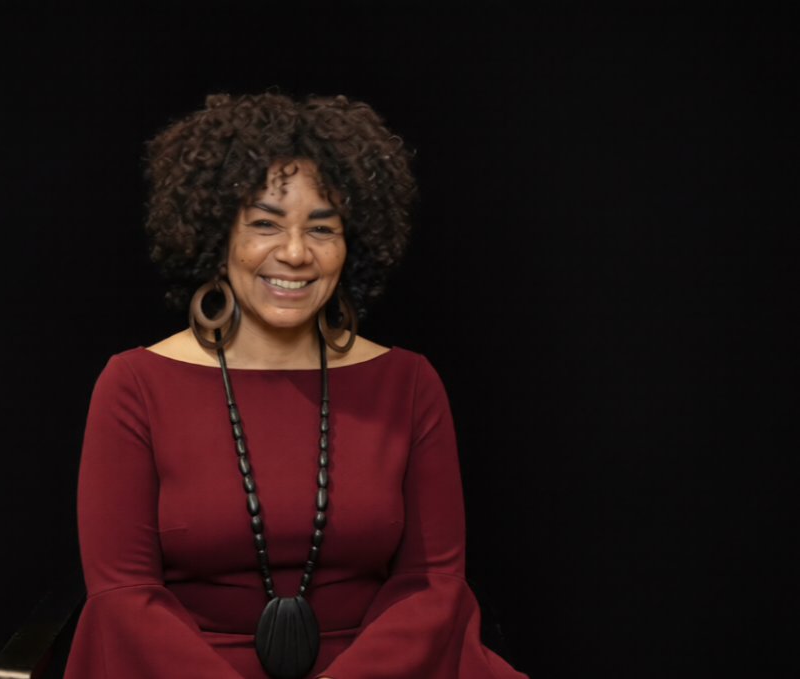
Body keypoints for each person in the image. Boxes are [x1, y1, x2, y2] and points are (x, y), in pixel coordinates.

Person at [63, 93, 527, 679]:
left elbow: (430, 585)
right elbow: (123, 597)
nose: (294, 253)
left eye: (322, 229)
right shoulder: (134, 384)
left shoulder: (408, 383)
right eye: (264, 223)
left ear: (348, 245)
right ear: (216, 234)